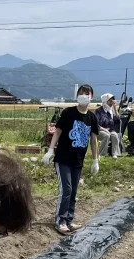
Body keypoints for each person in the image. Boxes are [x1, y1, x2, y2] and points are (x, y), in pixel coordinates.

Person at [43, 84, 100, 235]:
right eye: (81, 93)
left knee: (73, 191)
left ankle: (69, 219)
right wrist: (50, 151)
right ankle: (60, 220)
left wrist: (95, 160)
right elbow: (57, 132)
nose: (83, 96)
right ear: (77, 95)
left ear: (91, 97)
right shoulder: (69, 113)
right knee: (66, 190)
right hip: (63, 159)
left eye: (86, 93)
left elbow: (94, 140)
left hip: (78, 160)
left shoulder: (92, 117)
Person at [95, 93, 122, 158]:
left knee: (115, 135)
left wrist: (115, 109)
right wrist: (104, 129)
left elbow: (117, 121)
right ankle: (102, 154)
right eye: (110, 100)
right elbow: (96, 124)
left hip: (110, 130)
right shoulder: (98, 111)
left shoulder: (111, 110)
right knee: (106, 135)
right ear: (105, 101)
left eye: (112, 100)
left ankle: (115, 153)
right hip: (99, 130)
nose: (111, 102)